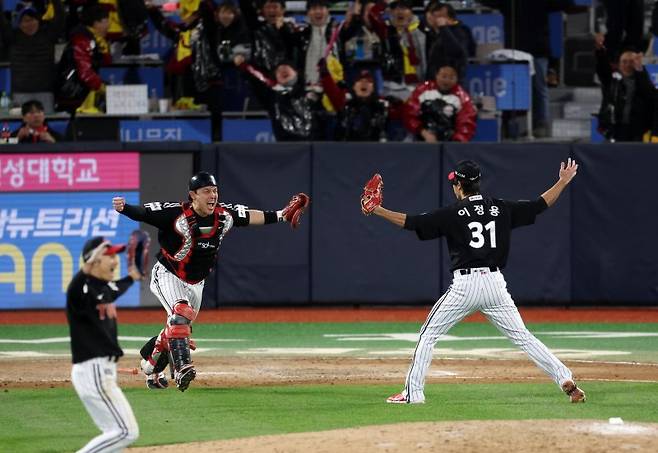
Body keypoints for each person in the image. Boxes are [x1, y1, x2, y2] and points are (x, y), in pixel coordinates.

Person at [360, 159, 586, 405]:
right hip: (495, 285)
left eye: (454, 183)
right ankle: (564, 378)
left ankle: (413, 394)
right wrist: (562, 182)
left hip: (465, 286)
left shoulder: (452, 213)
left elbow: (412, 222)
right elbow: (539, 205)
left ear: (458, 186)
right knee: (523, 337)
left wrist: (378, 210)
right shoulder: (501, 208)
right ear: (477, 183)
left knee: (428, 335)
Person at [112, 172, 309, 391]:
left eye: (214, 190)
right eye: (206, 191)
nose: (212, 195)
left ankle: (149, 368)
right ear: (193, 195)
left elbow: (251, 216)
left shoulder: (223, 215)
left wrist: (282, 214)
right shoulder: (175, 214)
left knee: (178, 328)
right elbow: (144, 212)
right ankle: (182, 368)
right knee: (181, 315)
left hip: (197, 283)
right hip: (168, 274)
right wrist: (125, 208)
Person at [66, 236, 142, 451]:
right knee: (126, 432)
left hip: (102, 371)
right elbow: (75, 285)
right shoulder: (80, 291)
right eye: (109, 255)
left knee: (115, 436)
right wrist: (88, 264)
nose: (115, 260)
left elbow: (117, 288)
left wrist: (133, 277)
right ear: (94, 261)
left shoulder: (104, 288)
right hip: (93, 370)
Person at [234, 54, 324, 141]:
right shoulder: (272, 97)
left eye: (287, 68)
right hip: (285, 148)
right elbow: (256, 78)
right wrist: (244, 65)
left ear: (296, 72)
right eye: (278, 70)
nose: (282, 70)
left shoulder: (313, 92)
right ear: (275, 78)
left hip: (314, 148)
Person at [0, 0, 65, 113]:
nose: (30, 24)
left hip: (45, 92)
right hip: (20, 93)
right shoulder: (12, 37)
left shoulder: (48, 35)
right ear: (19, 23)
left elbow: (61, 16)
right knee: (22, 126)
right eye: (25, 21)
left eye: (33, 20)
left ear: (38, 21)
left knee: (45, 125)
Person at [595, 37, 658, 142]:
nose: (628, 65)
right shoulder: (612, 80)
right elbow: (602, 68)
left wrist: (639, 69)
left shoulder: (641, 79)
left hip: (637, 131)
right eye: (624, 62)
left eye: (631, 62)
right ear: (619, 64)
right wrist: (600, 51)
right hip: (614, 129)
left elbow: (650, 94)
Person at [54, 4, 111, 113]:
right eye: (106, 21)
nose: (109, 25)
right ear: (96, 23)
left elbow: (106, 61)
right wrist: (102, 87)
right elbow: (85, 71)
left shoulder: (95, 40)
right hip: (73, 93)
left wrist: (103, 49)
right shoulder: (81, 39)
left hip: (83, 93)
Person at [403, 64, 476, 142]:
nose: (447, 80)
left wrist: (457, 142)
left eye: (451, 77)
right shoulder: (422, 90)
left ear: (457, 79)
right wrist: (424, 133)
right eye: (444, 76)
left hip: (449, 144)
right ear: (436, 75)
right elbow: (409, 114)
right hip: (420, 140)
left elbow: (467, 123)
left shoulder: (462, 98)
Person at [319, 62, 389, 141]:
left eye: (369, 81)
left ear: (373, 88)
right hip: (348, 148)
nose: (364, 83)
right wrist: (325, 74)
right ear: (354, 87)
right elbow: (332, 92)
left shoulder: (381, 107)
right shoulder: (346, 104)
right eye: (359, 81)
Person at [422, 1, 475, 83]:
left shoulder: (459, 32)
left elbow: (456, 52)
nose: (436, 19)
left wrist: (443, 28)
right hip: (435, 84)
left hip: (451, 85)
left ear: (450, 19)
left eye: (440, 16)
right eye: (434, 15)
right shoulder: (435, 34)